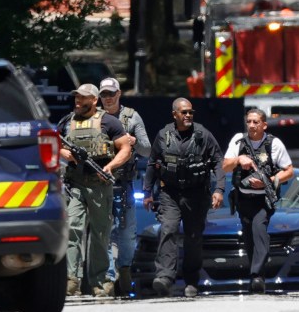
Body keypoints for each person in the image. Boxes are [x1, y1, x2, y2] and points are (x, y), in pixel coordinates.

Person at [142, 98, 225, 298]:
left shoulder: (203, 135)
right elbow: (153, 164)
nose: (188, 115)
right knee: (168, 229)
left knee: (193, 238)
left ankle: (191, 280)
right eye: (184, 112)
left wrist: (219, 189)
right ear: (175, 115)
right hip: (170, 193)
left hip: (197, 194)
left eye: (190, 112)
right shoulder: (163, 136)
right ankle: (165, 278)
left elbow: (218, 161)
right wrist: (147, 193)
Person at [59, 83, 131, 298]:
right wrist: (65, 154)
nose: (78, 102)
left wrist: (110, 167)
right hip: (75, 183)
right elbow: (53, 144)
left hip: (100, 183)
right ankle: (71, 279)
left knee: (100, 234)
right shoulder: (66, 122)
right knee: (72, 228)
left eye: (83, 98)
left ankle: (101, 281)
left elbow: (125, 148)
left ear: (94, 101)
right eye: (76, 98)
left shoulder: (109, 121)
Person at [222, 108, 294, 294]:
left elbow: (289, 171)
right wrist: (239, 159)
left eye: (256, 122)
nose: (252, 125)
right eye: (249, 122)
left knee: (259, 229)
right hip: (243, 198)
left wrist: (268, 181)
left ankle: (257, 276)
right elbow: (224, 166)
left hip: (263, 199)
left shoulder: (274, 144)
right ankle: (256, 277)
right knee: (249, 238)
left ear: (264, 125)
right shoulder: (238, 141)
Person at [97, 77, 151, 297]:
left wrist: (133, 142)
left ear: (119, 94)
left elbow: (147, 150)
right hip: (99, 183)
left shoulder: (131, 117)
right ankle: (109, 278)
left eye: (112, 94)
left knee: (127, 232)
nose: (108, 99)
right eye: (104, 95)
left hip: (125, 182)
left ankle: (125, 269)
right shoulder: (94, 118)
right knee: (104, 233)